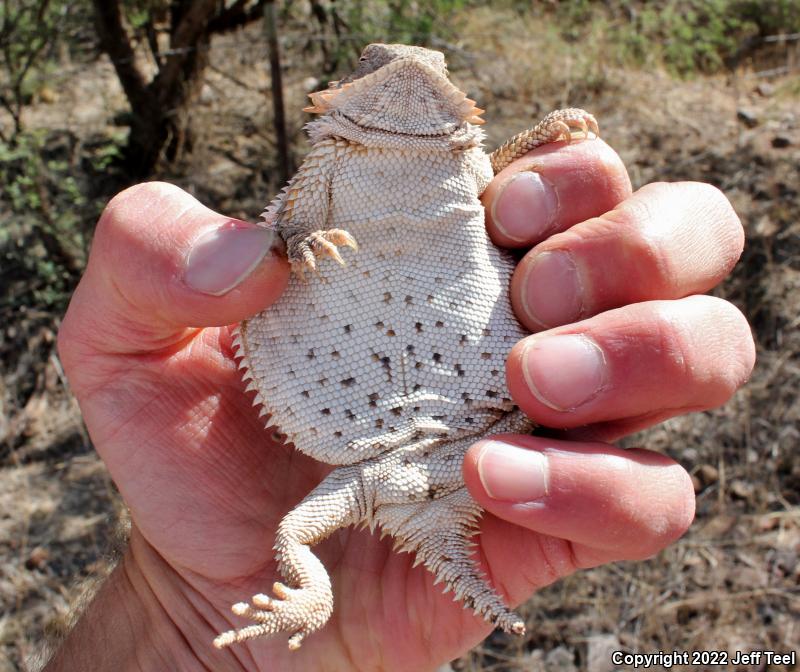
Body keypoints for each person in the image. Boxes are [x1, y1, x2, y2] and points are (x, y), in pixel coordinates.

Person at [47, 137, 754, 671]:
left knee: (299, 531)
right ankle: (315, 595)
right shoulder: (327, 183)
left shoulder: (464, 171)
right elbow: (286, 234)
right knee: (294, 536)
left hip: (459, 440)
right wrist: (181, 620)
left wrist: (526, 165)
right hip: (390, 467)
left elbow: (492, 201)